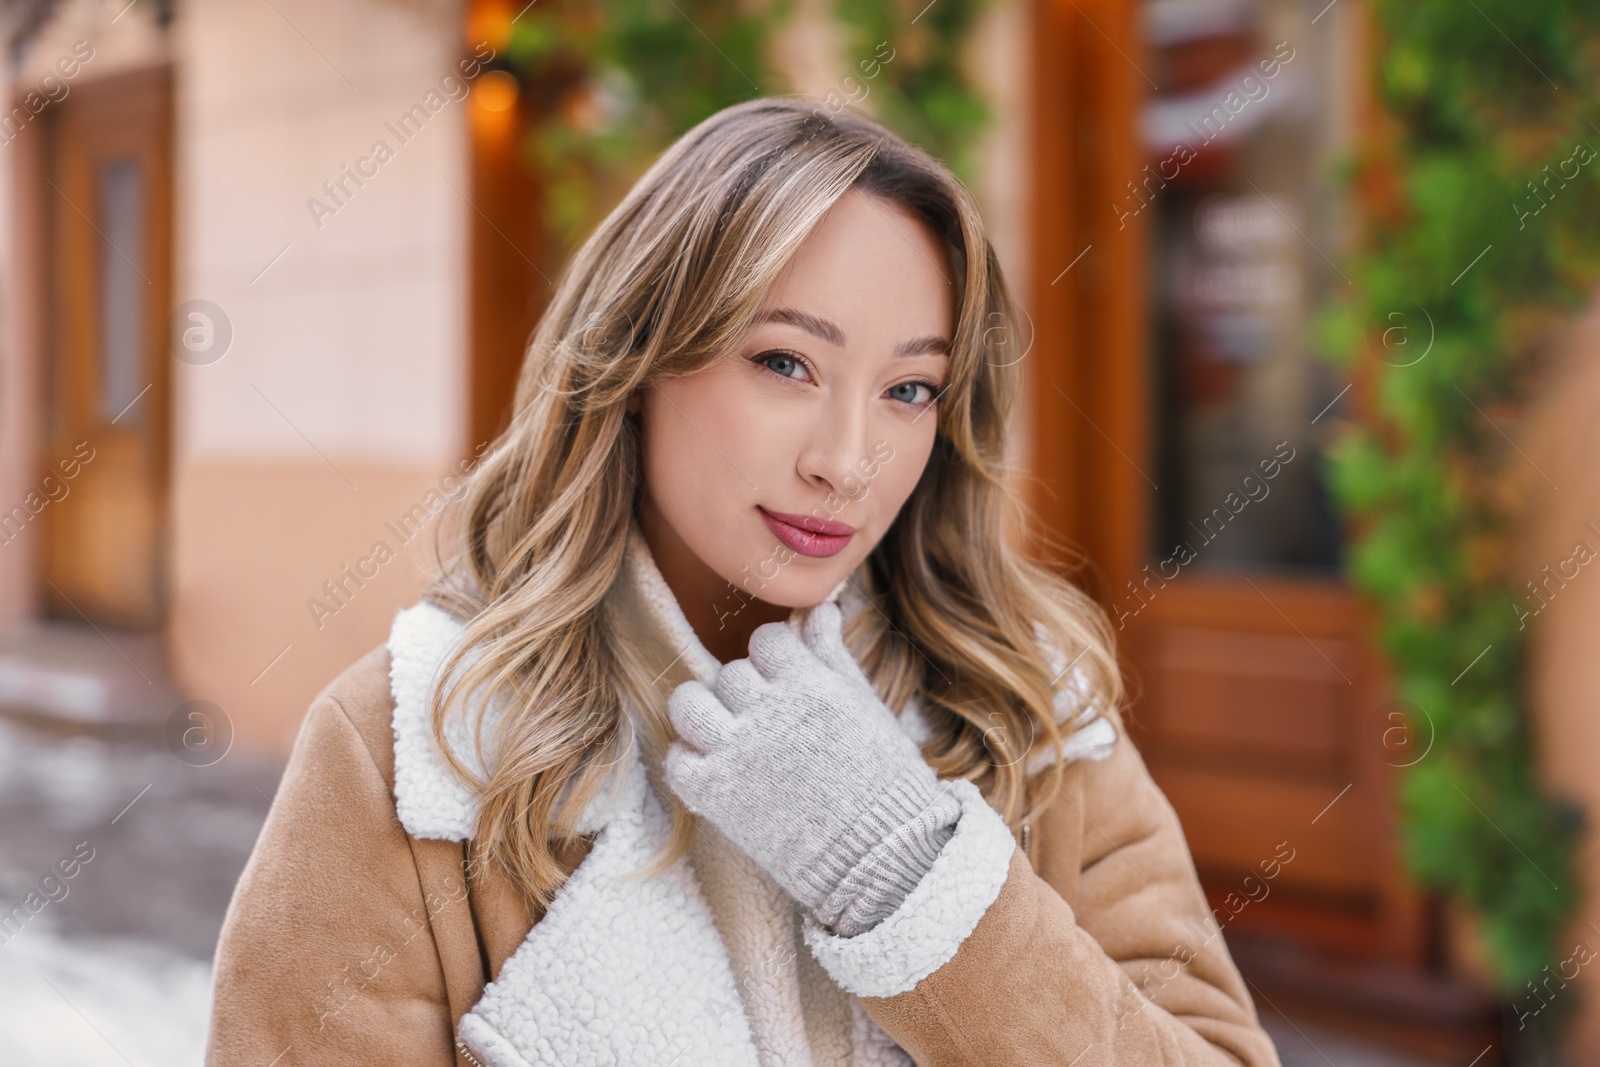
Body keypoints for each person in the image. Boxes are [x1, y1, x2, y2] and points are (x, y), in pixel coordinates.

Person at [206, 96, 1283, 1067]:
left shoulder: (1028, 712)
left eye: (909, 388)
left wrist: (916, 885)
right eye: (784, 363)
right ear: (638, 363)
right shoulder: (417, 749)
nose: (847, 459)